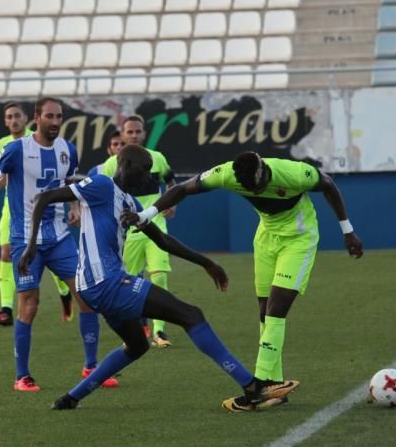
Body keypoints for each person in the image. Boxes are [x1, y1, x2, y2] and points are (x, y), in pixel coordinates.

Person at [18, 145, 299, 412]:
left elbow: (162, 239)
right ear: (125, 165)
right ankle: (252, 387)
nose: (149, 176)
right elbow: (45, 197)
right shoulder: (103, 185)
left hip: (100, 284)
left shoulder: (130, 202)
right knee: (191, 315)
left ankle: (71, 397)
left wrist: (207, 263)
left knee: (137, 345)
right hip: (105, 282)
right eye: (145, 169)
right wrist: (31, 245)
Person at [126, 151, 363, 411]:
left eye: (259, 187)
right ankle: (275, 386)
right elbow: (182, 189)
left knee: (277, 308)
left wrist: (348, 231)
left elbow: (328, 184)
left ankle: (259, 386)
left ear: (264, 173)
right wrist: (147, 214)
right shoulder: (227, 174)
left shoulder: (294, 173)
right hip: (266, 238)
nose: (256, 192)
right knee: (264, 311)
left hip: (299, 240)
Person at [0, 97, 117, 392]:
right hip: (26, 241)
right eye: (49, 116)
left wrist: (75, 207)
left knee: (88, 296)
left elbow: (70, 184)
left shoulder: (67, 150)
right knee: (29, 304)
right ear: (36, 118)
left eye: (59, 116)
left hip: (61, 238)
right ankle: (22, 376)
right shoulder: (16, 150)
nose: (54, 121)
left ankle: (91, 367)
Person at [0, 101, 74, 326]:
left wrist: (74, 206)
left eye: (17, 116)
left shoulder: (39, 139)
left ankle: (64, 292)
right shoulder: (3, 143)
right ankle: (6, 307)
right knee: (6, 253)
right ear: (5, 121)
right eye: (9, 117)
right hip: (14, 208)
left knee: (49, 253)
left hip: (47, 211)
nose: (13, 120)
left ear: (28, 118)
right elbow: (6, 171)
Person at [99, 116, 177, 348]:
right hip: (128, 232)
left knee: (159, 273)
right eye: (129, 132)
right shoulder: (112, 164)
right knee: (127, 282)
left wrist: (172, 203)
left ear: (143, 133)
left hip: (155, 226)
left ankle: (159, 331)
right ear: (122, 135)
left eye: (137, 131)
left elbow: (173, 183)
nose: (133, 135)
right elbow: (104, 194)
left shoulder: (158, 158)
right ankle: (133, 333)